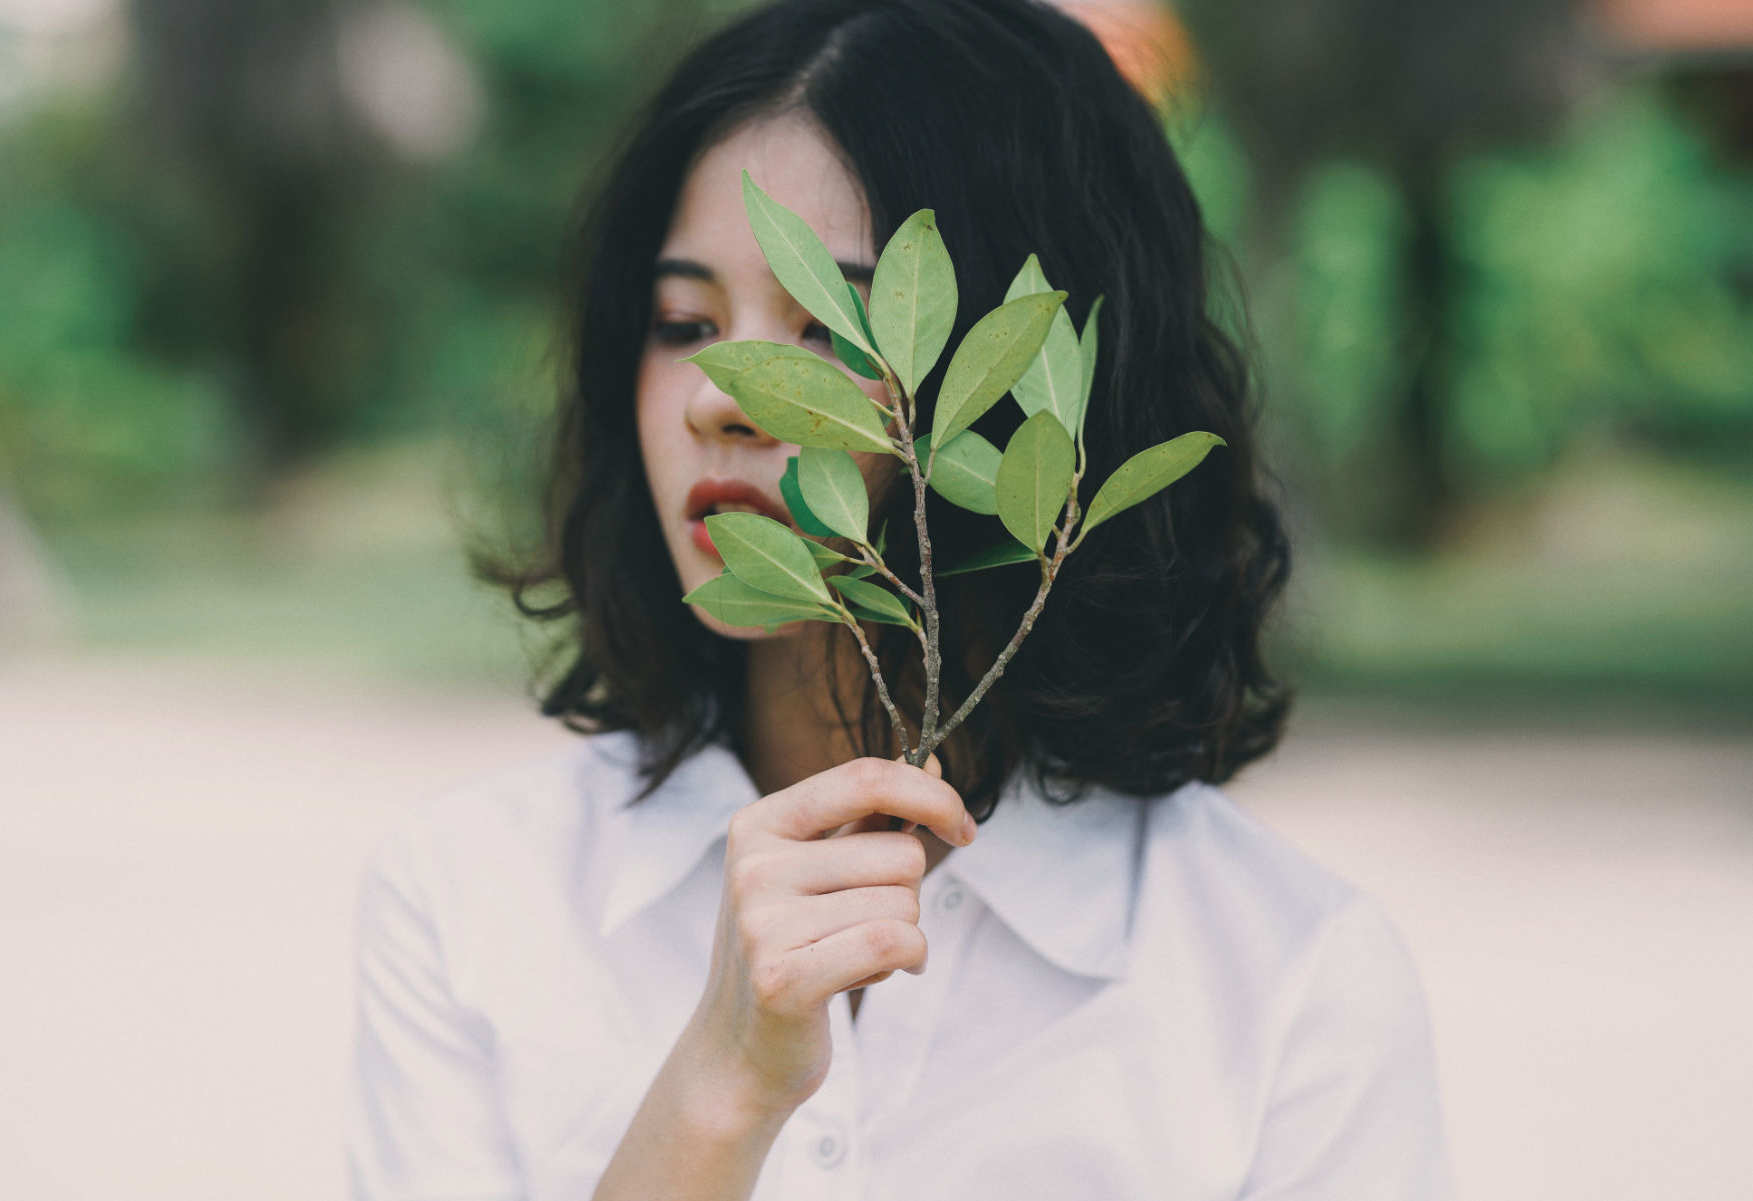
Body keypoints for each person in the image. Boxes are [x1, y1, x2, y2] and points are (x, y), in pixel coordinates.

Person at [345, 1, 1451, 1198]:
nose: (725, 391)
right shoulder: (472, 898)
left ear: (1034, 394)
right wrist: (719, 1094)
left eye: (832, 325)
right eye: (685, 323)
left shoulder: (1288, 977)